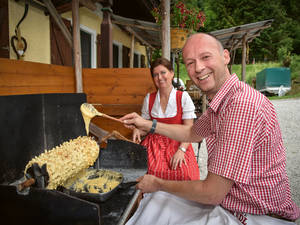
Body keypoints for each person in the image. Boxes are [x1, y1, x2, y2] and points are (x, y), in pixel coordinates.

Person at [121, 33, 300, 225]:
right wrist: (147, 124)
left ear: (225, 56)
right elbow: (192, 133)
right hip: (231, 205)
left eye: (206, 57)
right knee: (155, 204)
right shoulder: (223, 100)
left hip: (253, 216)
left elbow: (212, 193)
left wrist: (158, 183)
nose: (198, 68)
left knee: (155, 205)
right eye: (190, 63)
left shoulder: (240, 105)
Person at [133, 57, 200, 181]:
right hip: (153, 146)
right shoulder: (149, 98)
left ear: (171, 73)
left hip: (179, 143)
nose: (159, 77)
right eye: (155, 75)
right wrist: (138, 130)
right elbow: (144, 126)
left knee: (186, 174)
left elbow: (189, 130)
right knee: (148, 173)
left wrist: (181, 150)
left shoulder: (183, 97)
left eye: (163, 72)